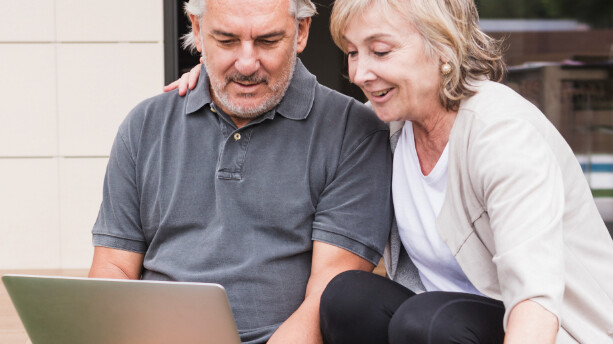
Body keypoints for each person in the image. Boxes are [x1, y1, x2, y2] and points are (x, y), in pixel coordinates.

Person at [88, 0, 394, 343]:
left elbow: (331, 290)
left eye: (267, 41)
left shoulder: (353, 132)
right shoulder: (145, 125)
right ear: (199, 31)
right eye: (227, 40)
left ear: (301, 32)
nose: (247, 64)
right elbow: (114, 267)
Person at [317, 0, 613, 343]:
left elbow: (535, 304)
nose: (359, 74)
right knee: (349, 298)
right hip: (440, 324)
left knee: (426, 321)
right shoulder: (383, 128)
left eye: (380, 51)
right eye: (353, 53)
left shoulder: (502, 133)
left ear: (443, 47)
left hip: (555, 331)